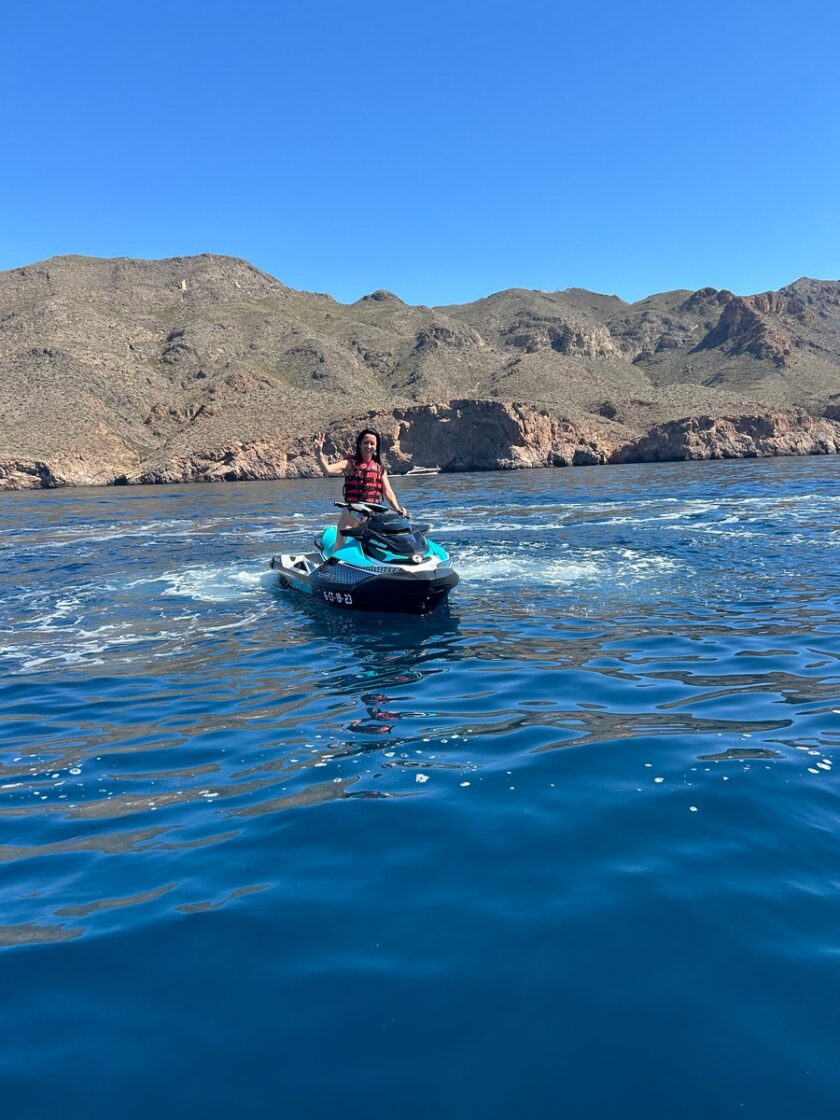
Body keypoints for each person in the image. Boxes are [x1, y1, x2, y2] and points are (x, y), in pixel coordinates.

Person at [313, 428, 407, 547]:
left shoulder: (380, 469)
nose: (368, 446)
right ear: (360, 445)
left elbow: (388, 491)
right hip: (352, 512)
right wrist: (319, 454)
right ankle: (333, 561)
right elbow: (328, 470)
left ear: (376, 446)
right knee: (341, 543)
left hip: (373, 513)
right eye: (365, 443)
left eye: (372, 444)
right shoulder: (349, 464)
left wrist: (397, 508)